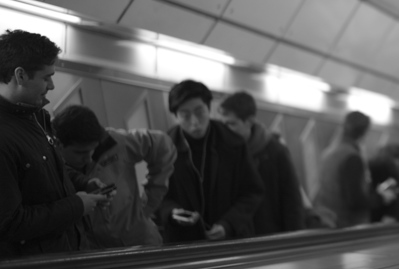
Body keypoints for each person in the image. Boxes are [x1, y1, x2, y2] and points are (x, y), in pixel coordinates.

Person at [0, 30, 110, 258]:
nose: (51, 85)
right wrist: (77, 206)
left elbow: (49, 169)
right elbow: (11, 223)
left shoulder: (37, 117)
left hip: (66, 254)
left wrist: (83, 184)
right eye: (46, 77)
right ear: (20, 76)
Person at [52, 105, 176, 247]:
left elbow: (163, 144)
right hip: (94, 254)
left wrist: (149, 203)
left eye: (92, 150)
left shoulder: (114, 141)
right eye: (80, 153)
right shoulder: (49, 165)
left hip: (141, 241)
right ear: (58, 144)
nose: (88, 158)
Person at [158, 80, 264, 243]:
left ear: (209, 109)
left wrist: (228, 224)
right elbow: (156, 194)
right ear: (176, 117)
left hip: (230, 240)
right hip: (184, 243)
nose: (194, 122)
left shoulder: (233, 143)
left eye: (199, 112)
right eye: (185, 115)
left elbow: (252, 192)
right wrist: (171, 212)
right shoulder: (165, 148)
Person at [218, 91, 304, 235]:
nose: (226, 131)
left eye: (232, 124)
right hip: (237, 238)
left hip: (270, 237)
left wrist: (295, 242)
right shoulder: (224, 152)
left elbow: (292, 202)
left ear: (250, 121)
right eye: (223, 124)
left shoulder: (275, 152)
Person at [313, 110, 396, 228]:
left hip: (328, 221)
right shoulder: (352, 157)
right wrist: (381, 198)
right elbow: (355, 200)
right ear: (364, 132)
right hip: (348, 226)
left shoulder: (329, 153)